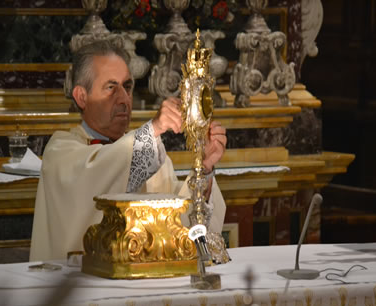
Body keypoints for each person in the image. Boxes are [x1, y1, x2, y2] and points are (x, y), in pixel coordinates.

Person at [29, 40, 227, 261]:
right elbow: (100, 171)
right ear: (81, 97)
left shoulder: (152, 155)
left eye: (128, 87)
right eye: (111, 87)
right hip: (80, 288)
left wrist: (205, 168)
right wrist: (154, 128)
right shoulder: (61, 152)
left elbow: (183, 228)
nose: (124, 99)